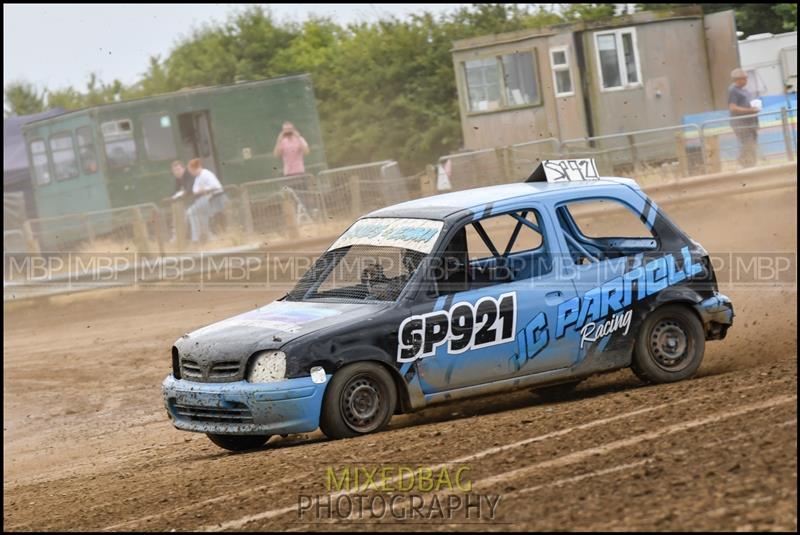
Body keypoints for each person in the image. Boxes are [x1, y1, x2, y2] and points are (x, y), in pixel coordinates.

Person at [728, 68, 760, 168]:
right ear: (737, 79)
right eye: (744, 79)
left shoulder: (744, 90)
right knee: (748, 144)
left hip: (750, 122)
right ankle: (745, 163)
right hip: (741, 124)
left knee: (752, 144)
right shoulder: (733, 90)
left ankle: (750, 164)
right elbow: (733, 107)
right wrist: (751, 110)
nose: (746, 81)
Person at [186, 158, 225, 242]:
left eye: (190, 170)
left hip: (215, 197)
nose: (190, 173)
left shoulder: (206, 174)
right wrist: (200, 190)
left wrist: (204, 189)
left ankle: (196, 238)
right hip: (207, 198)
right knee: (202, 216)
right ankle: (208, 237)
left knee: (191, 212)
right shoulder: (198, 177)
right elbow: (195, 190)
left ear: (194, 168)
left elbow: (215, 186)